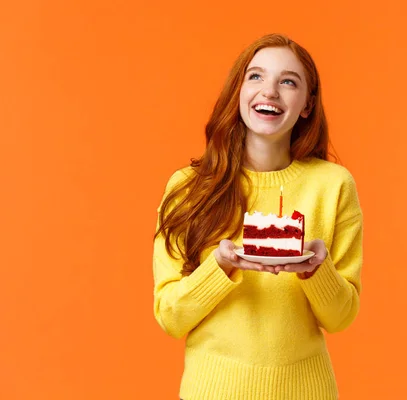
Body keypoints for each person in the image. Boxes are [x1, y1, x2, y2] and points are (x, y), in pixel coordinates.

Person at [153, 33, 363, 400]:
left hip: (307, 392)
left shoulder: (333, 186)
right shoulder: (188, 187)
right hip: (213, 391)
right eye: (256, 77)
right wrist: (219, 266)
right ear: (239, 91)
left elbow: (341, 318)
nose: (270, 92)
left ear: (307, 105)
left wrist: (317, 269)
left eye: (288, 81)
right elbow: (170, 317)